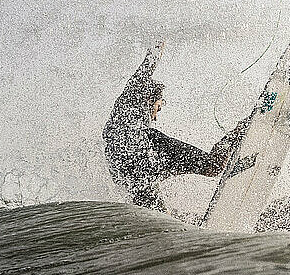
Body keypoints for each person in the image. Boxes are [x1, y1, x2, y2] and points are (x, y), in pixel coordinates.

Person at [103, 41, 248, 211]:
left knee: (153, 211)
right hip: (145, 148)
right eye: (158, 107)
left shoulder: (126, 97)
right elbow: (149, 63)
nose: (155, 117)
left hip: (124, 169)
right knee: (212, 166)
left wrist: (158, 44)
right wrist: (161, 39)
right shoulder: (138, 110)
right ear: (150, 100)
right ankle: (237, 131)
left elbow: (148, 64)